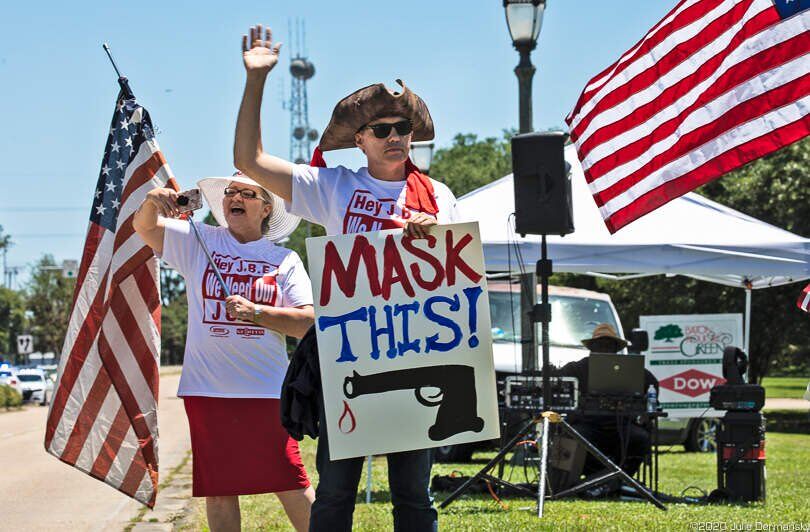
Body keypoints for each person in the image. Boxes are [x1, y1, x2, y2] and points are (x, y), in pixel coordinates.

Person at [233, 24, 460, 532]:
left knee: (413, 495)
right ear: (359, 140)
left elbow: (461, 272)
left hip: (415, 357)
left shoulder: (439, 196)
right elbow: (248, 161)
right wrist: (257, 81)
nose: (395, 137)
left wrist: (437, 234)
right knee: (335, 494)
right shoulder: (334, 188)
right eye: (381, 130)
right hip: (348, 358)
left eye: (402, 127)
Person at [132, 172, 316, 532]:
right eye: (231, 192)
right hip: (207, 390)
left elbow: (309, 323)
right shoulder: (200, 241)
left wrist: (257, 313)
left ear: (266, 208)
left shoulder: (284, 259)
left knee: (290, 481)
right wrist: (153, 201)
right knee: (219, 491)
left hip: (266, 391)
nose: (236, 198)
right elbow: (146, 228)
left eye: (248, 194)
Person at [555, 323, 658, 492]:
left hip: (623, 426)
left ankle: (618, 481)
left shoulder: (631, 369)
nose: (604, 348)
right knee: (574, 435)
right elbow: (557, 382)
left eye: (609, 344)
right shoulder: (577, 368)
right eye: (600, 344)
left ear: (616, 348)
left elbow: (653, 384)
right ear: (592, 347)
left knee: (640, 438)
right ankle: (593, 480)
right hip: (588, 425)